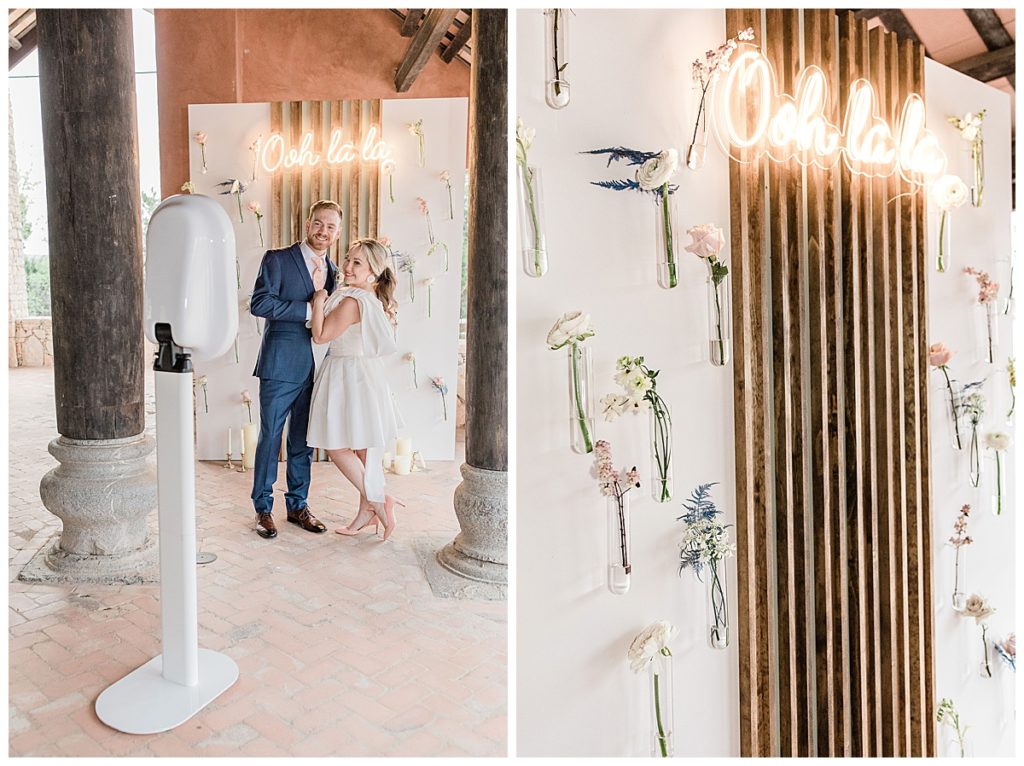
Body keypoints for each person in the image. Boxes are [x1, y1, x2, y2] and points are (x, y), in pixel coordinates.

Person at [249, 200, 341, 539]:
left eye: (330, 227)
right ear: (307, 224)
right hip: (279, 364)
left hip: (315, 367)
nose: (323, 231)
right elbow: (260, 303)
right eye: (318, 224)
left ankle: (298, 506)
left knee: (302, 441)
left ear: (337, 232)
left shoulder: (334, 271)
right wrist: (308, 309)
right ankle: (262, 509)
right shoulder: (278, 259)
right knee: (271, 438)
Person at [307, 238, 404, 540]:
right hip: (360, 374)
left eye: (357, 263)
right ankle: (367, 511)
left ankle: (378, 500)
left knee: (337, 446)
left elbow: (321, 336)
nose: (347, 266)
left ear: (373, 273)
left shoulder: (352, 302)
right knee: (360, 450)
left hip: (348, 373)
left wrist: (319, 301)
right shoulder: (363, 297)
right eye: (348, 259)